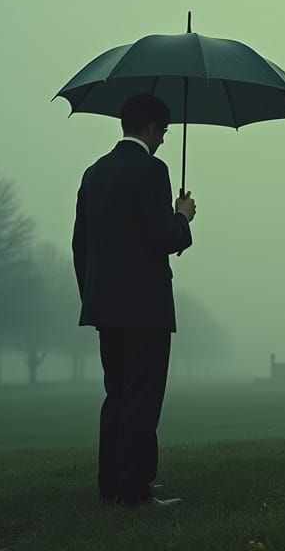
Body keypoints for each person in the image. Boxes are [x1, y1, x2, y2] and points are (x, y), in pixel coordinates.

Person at [72, 93, 197, 509]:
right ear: (149, 128)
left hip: (106, 309)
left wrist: (93, 295)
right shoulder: (152, 170)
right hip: (146, 310)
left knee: (117, 397)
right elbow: (164, 238)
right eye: (162, 131)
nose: (163, 139)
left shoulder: (94, 173)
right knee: (142, 401)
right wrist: (182, 216)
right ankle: (135, 491)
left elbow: (80, 246)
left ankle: (112, 487)